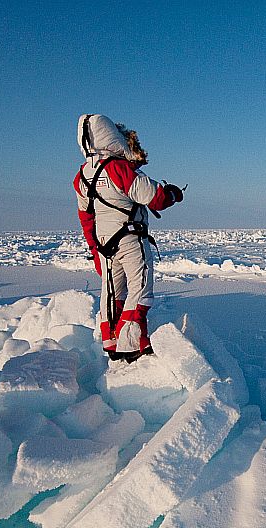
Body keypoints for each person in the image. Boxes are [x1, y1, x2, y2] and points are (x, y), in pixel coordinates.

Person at [73, 114, 184, 362]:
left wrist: (95, 251)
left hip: (104, 245)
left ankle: (111, 341)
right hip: (130, 239)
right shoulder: (118, 168)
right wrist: (173, 195)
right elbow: (156, 198)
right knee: (140, 289)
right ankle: (134, 343)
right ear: (110, 135)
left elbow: (86, 218)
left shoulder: (82, 177)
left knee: (113, 293)